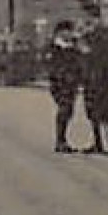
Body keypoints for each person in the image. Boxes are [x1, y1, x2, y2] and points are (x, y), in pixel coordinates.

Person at [81, 14, 108, 155]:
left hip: (99, 79)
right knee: (94, 111)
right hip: (94, 79)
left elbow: (104, 57)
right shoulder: (92, 35)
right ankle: (100, 143)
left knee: (103, 110)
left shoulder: (99, 36)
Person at [45, 19, 83, 153]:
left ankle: (62, 139)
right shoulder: (55, 48)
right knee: (64, 109)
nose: (68, 34)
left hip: (72, 83)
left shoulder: (73, 47)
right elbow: (51, 66)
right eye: (66, 31)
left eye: (69, 31)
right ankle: (60, 140)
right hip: (59, 83)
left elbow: (79, 63)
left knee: (68, 110)